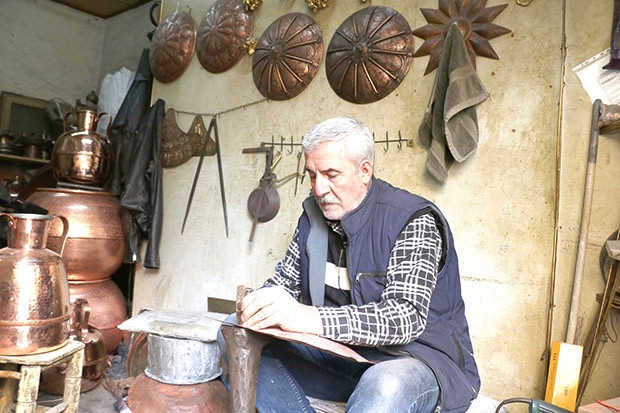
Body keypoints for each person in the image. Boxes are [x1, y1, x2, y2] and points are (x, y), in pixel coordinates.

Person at [235, 116, 480, 413]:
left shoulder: (412, 219)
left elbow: (404, 318)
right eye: (312, 175)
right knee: (237, 339)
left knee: (387, 384)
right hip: (340, 354)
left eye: (331, 174)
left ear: (364, 171)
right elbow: (284, 284)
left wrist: (308, 317)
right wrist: (261, 305)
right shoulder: (312, 218)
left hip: (415, 360)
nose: (319, 189)